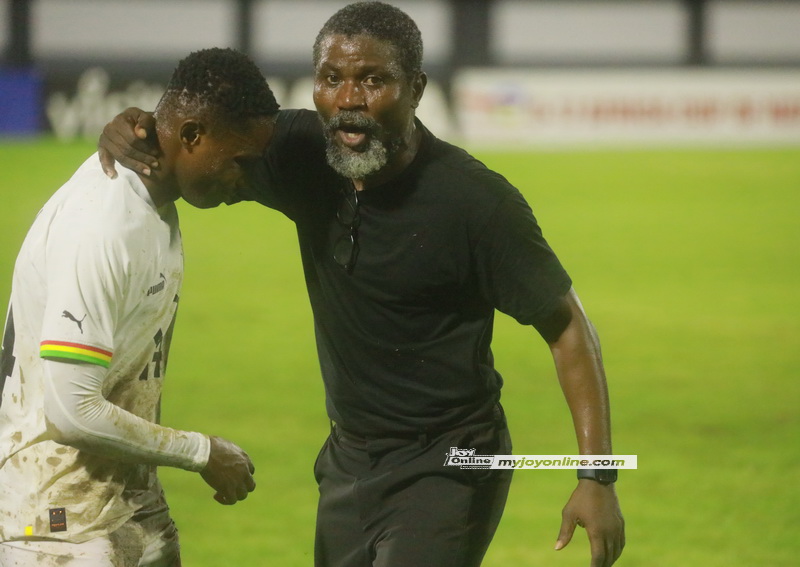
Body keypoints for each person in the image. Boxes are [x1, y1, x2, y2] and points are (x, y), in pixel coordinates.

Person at [98, 2, 625, 566]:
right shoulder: (299, 152)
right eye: (331, 78)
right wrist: (137, 128)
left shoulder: (478, 205)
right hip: (348, 461)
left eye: (373, 80)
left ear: (416, 88)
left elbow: (569, 328)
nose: (348, 98)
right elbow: (197, 148)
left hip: (452, 460)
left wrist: (598, 477)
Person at [0, 48, 280, 566]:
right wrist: (202, 452)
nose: (246, 181)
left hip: (126, 506)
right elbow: (71, 409)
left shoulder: (155, 203)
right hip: (56, 525)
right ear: (192, 135)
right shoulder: (102, 226)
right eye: (240, 162)